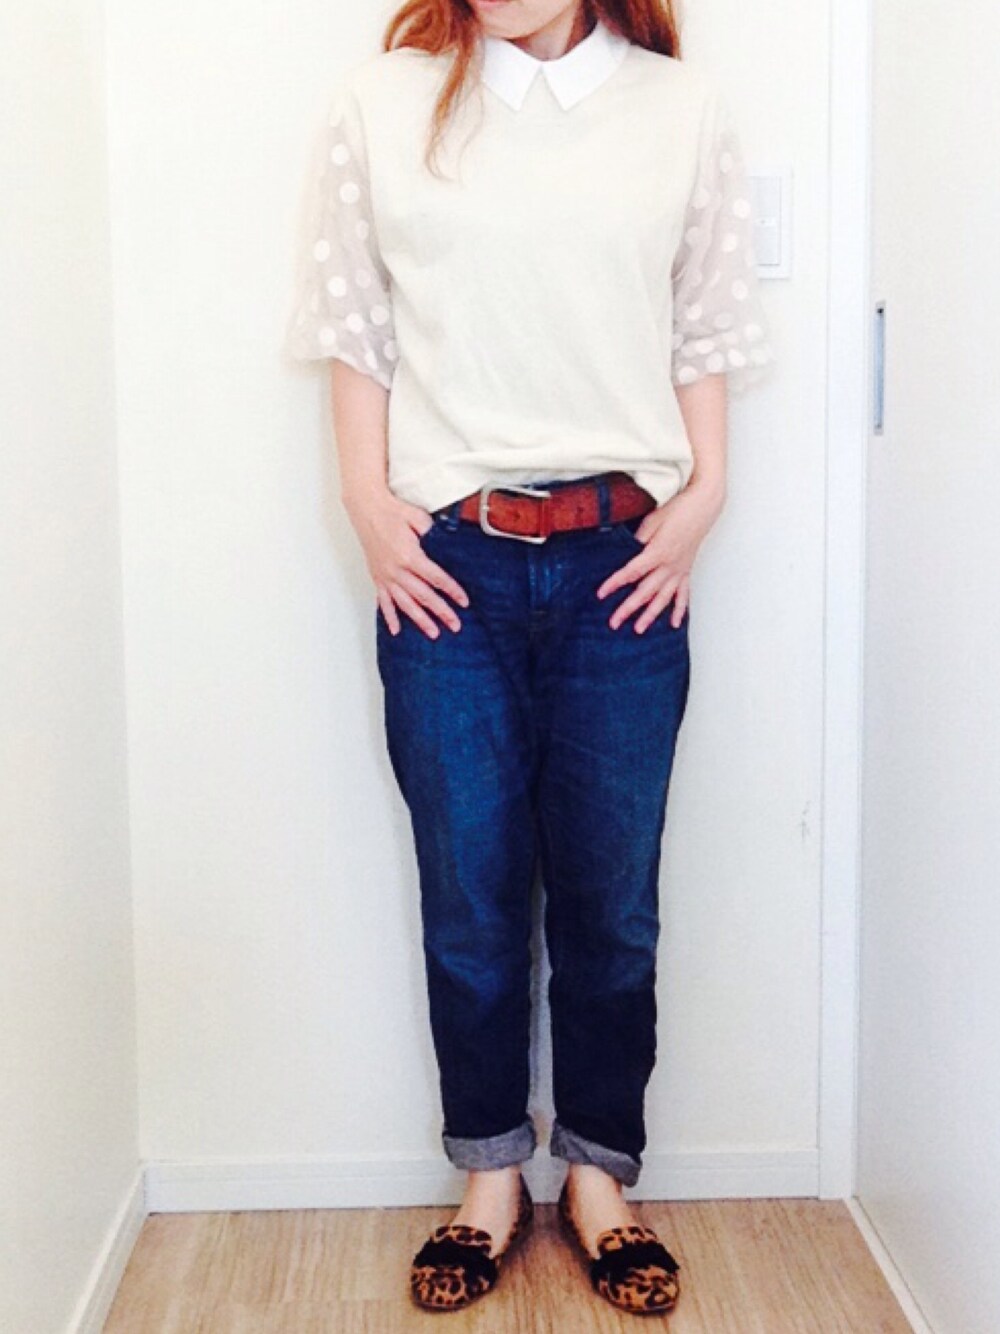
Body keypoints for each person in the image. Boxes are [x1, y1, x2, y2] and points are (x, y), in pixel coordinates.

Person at [284, 0, 775, 1315]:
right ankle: (491, 1177)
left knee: (613, 905)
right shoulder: (385, 102)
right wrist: (367, 505)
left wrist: (705, 495)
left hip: (625, 565)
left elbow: (707, 327)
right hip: (451, 569)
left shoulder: (677, 110)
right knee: (472, 898)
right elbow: (354, 327)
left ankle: (601, 1179)